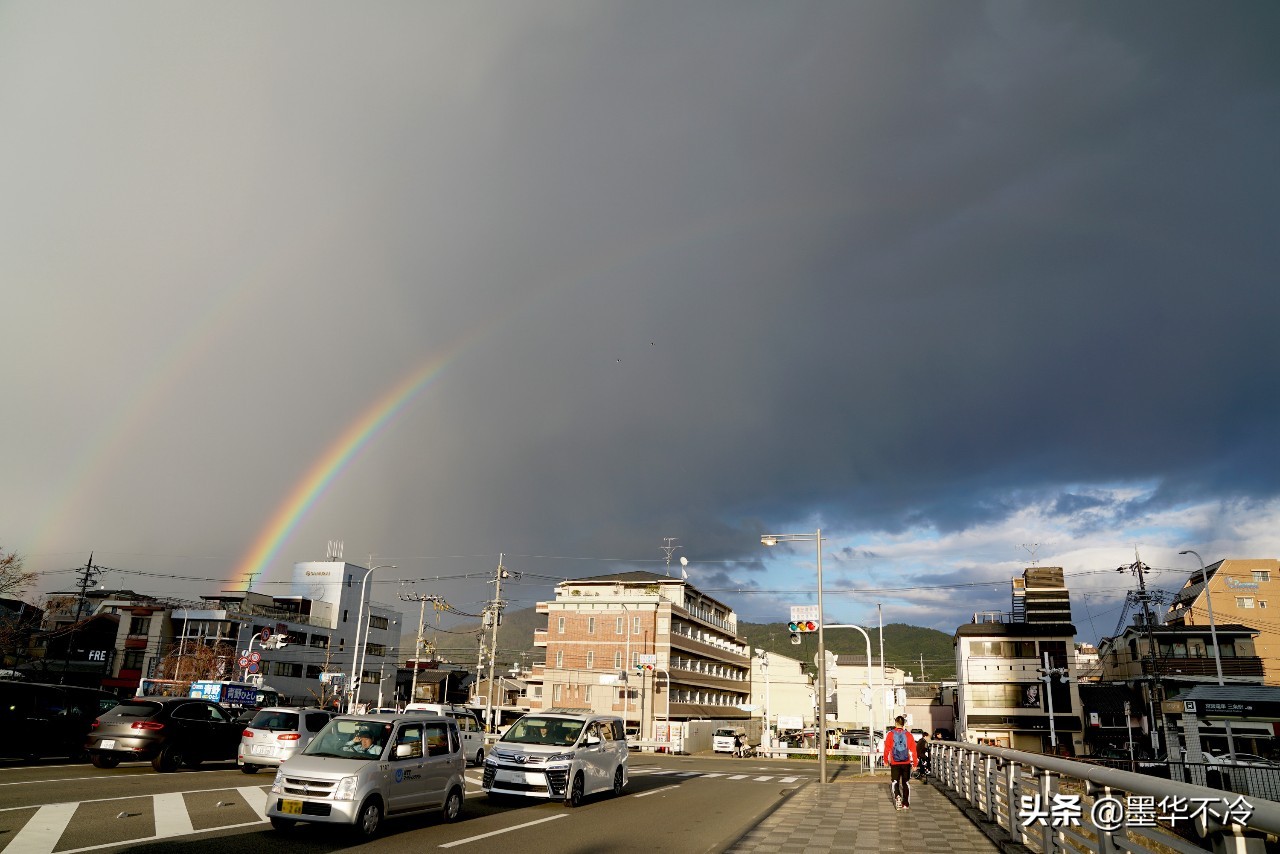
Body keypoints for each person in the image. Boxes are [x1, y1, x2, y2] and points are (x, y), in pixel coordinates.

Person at [883, 715, 919, 810]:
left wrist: (885, 760)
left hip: (895, 762)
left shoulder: (890, 734)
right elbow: (913, 751)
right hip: (906, 762)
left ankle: (897, 796)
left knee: (895, 781)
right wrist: (915, 764)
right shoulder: (908, 735)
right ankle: (905, 804)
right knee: (905, 782)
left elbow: (887, 749)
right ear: (903, 724)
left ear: (895, 723)